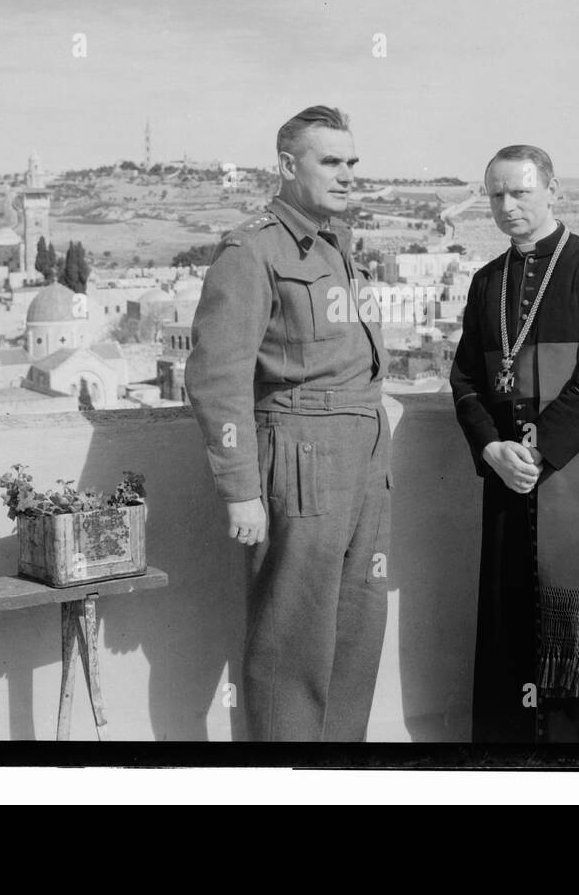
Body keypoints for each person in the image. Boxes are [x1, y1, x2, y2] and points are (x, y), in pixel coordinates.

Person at [187, 105, 392, 742]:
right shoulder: (251, 250)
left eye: (351, 161)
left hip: (362, 454)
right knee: (292, 637)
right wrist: (241, 490)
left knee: (357, 628)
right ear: (286, 166)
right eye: (330, 161)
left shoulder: (336, 245)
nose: (347, 173)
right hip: (301, 458)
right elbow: (217, 377)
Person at [449, 144, 579, 743]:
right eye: (495, 194)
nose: (507, 206)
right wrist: (491, 448)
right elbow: (466, 378)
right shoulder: (485, 281)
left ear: (552, 190)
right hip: (509, 471)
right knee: (516, 614)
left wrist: (538, 451)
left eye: (520, 191)